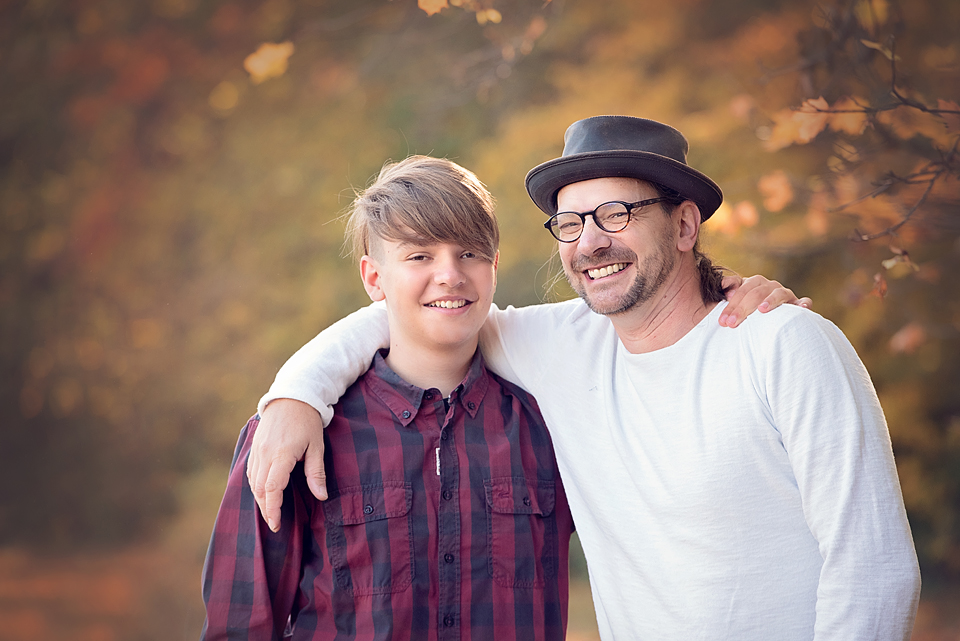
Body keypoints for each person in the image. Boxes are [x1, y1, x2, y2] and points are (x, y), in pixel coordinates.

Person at [248, 116, 922, 640]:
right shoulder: (564, 348)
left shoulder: (783, 345)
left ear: (685, 223)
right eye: (570, 223)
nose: (590, 241)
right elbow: (428, 309)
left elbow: (874, 570)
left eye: (617, 214)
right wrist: (297, 391)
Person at [200, 156, 576, 640]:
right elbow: (240, 626)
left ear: (494, 267)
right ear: (373, 278)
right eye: (419, 256)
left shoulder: (548, 427)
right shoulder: (294, 434)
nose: (450, 275)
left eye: (470, 254)